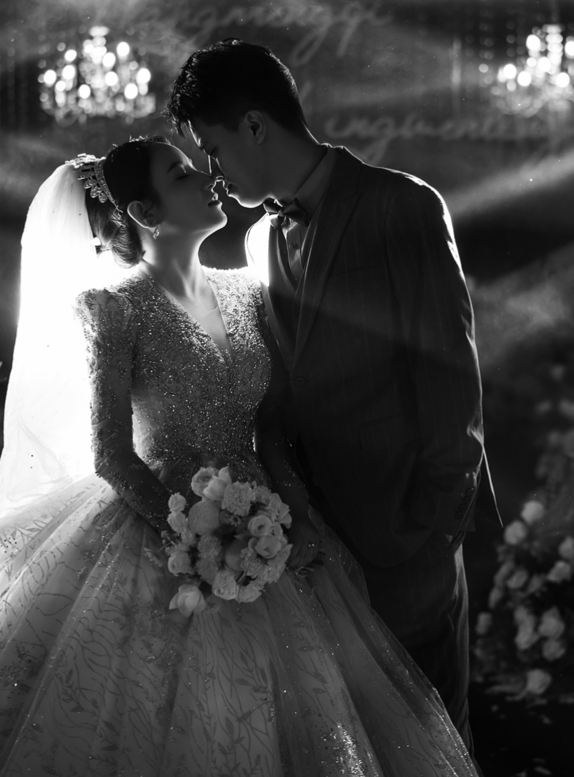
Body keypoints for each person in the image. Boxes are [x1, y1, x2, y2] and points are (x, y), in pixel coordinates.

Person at [0, 136, 478, 776]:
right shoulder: (113, 308)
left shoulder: (250, 291)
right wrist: (194, 540)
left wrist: (294, 518)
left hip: (262, 524)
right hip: (157, 529)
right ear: (146, 213)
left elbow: (272, 431)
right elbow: (112, 455)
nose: (208, 177)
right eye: (181, 173)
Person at [164, 39, 492, 749]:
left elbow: (449, 374)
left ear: (255, 125)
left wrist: (434, 524)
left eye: (214, 150)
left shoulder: (400, 205)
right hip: (318, 548)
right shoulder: (259, 239)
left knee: (435, 739)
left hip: (409, 536)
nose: (213, 174)